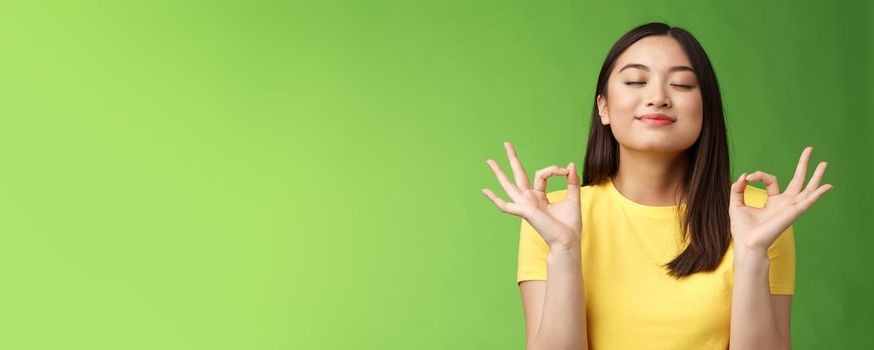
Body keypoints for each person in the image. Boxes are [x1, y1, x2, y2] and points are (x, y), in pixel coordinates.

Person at [480, 22, 832, 350]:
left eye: (681, 84)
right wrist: (564, 250)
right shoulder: (552, 217)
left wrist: (753, 254)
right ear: (603, 107)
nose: (658, 97)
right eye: (635, 82)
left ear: (706, 108)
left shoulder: (760, 215)